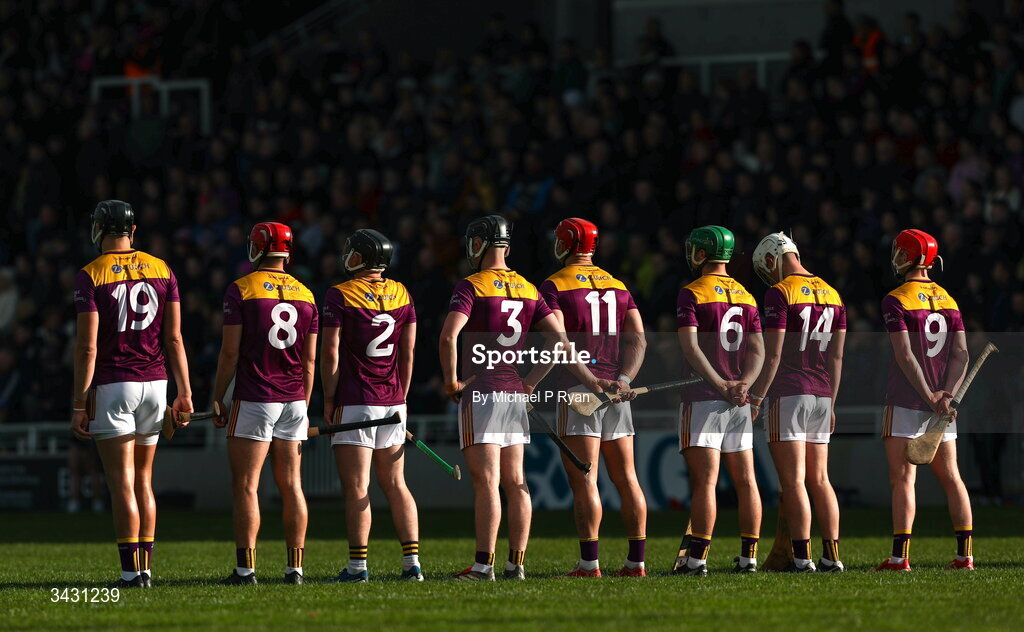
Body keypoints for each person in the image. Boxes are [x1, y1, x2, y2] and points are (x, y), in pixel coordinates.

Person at [439, 214, 617, 581]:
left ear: (481, 244)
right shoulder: (528, 288)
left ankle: (482, 565)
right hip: (514, 395)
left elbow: (447, 337)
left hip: (484, 392)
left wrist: (451, 380)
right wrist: (534, 381)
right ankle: (515, 564)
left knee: (486, 483)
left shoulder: (471, 285)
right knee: (516, 481)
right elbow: (561, 341)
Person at [71, 200, 193, 588]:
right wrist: (185, 392)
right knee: (144, 480)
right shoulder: (163, 268)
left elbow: (87, 348)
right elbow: (174, 337)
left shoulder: (90, 274)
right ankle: (146, 569)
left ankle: (129, 573)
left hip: (114, 383)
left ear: (99, 229)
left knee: (121, 483)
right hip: (156, 384)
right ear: (132, 231)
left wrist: (78, 401)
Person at [537, 218, 648, 578]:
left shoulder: (554, 285)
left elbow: (559, 343)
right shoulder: (618, 285)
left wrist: (590, 380)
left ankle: (589, 564)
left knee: (585, 480)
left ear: (567, 243)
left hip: (579, 392)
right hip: (618, 392)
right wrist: (624, 379)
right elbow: (639, 340)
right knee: (627, 478)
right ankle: (637, 562)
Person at [212, 222, 319, 585]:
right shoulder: (306, 294)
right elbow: (309, 362)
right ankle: (296, 570)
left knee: (246, 485)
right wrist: (303, 407)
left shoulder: (240, 289)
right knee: (292, 485)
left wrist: (217, 396)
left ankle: (246, 570)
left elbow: (230, 353)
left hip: (255, 398)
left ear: (257, 248)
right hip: (293, 400)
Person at [321, 229, 423, 582]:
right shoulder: (402, 292)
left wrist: (329, 398)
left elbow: (331, 352)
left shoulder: (340, 295)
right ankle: (412, 565)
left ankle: (358, 567)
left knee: (357, 488)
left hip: (355, 401)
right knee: (397, 484)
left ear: (360, 257)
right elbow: (408, 353)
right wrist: (402, 397)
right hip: (393, 399)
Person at [876, 229, 973, 571]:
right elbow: (961, 353)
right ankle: (965, 556)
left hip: (906, 400)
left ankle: (900, 557)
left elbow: (905, 356)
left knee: (902, 479)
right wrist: (946, 394)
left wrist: (930, 395)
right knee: (952, 477)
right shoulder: (948, 299)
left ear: (906, 255)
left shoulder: (896, 298)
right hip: (942, 404)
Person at [749, 232, 846, 572]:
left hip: (788, 392)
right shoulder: (833, 293)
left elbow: (773, 355)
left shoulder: (779, 293)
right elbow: (836, 357)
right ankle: (832, 556)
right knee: (820, 479)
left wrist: (757, 395)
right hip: (821, 393)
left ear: (773, 259)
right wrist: (832, 403)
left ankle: (802, 557)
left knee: (792, 482)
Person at [673, 225, 764, 576]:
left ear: (699, 253)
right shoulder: (745, 294)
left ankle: (697, 560)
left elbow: (690, 347)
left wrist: (721, 384)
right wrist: (744, 384)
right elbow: (758, 349)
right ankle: (749, 557)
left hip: (704, 398)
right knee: (746, 480)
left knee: (705, 483)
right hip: (738, 401)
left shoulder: (691, 292)